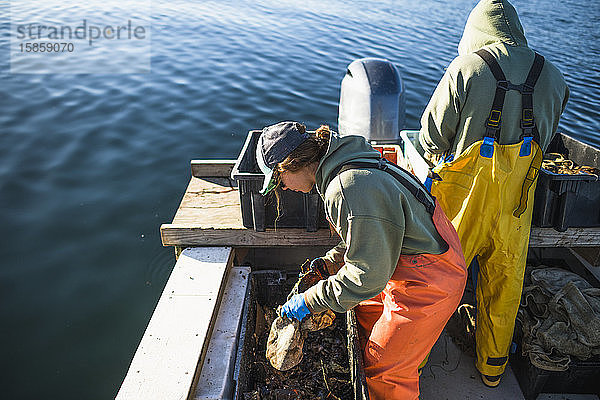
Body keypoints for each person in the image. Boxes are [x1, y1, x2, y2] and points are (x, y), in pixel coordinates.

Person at [256, 120, 467, 400]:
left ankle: (392, 370)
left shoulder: (345, 187)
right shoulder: (346, 161)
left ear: (290, 164)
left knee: (386, 371)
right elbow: (374, 233)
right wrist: (331, 261)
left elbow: (366, 277)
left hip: (429, 283)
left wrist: (308, 301)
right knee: (365, 309)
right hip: (404, 263)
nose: (282, 188)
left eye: (278, 180)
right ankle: (388, 351)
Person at [418, 0, 569, 387]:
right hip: (517, 207)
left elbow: (430, 137)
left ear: (475, 32)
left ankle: (415, 362)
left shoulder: (467, 69)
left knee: (440, 278)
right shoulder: (553, 76)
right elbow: (548, 138)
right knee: (505, 284)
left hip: (464, 205)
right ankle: (492, 370)